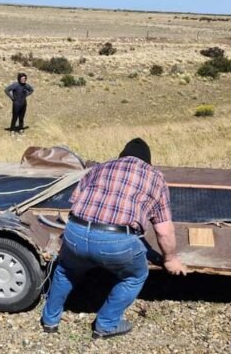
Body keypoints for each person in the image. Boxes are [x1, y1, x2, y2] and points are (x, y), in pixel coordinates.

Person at [40, 138, 187, 339]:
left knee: (65, 271)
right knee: (135, 276)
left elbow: (74, 202)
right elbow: (163, 230)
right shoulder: (155, 177)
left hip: (76, 232)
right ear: (148, 161)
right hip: (115, 242)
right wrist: (170, 259)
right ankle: (105, 325)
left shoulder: (99, 168)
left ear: (122, 155)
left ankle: (49, 321)